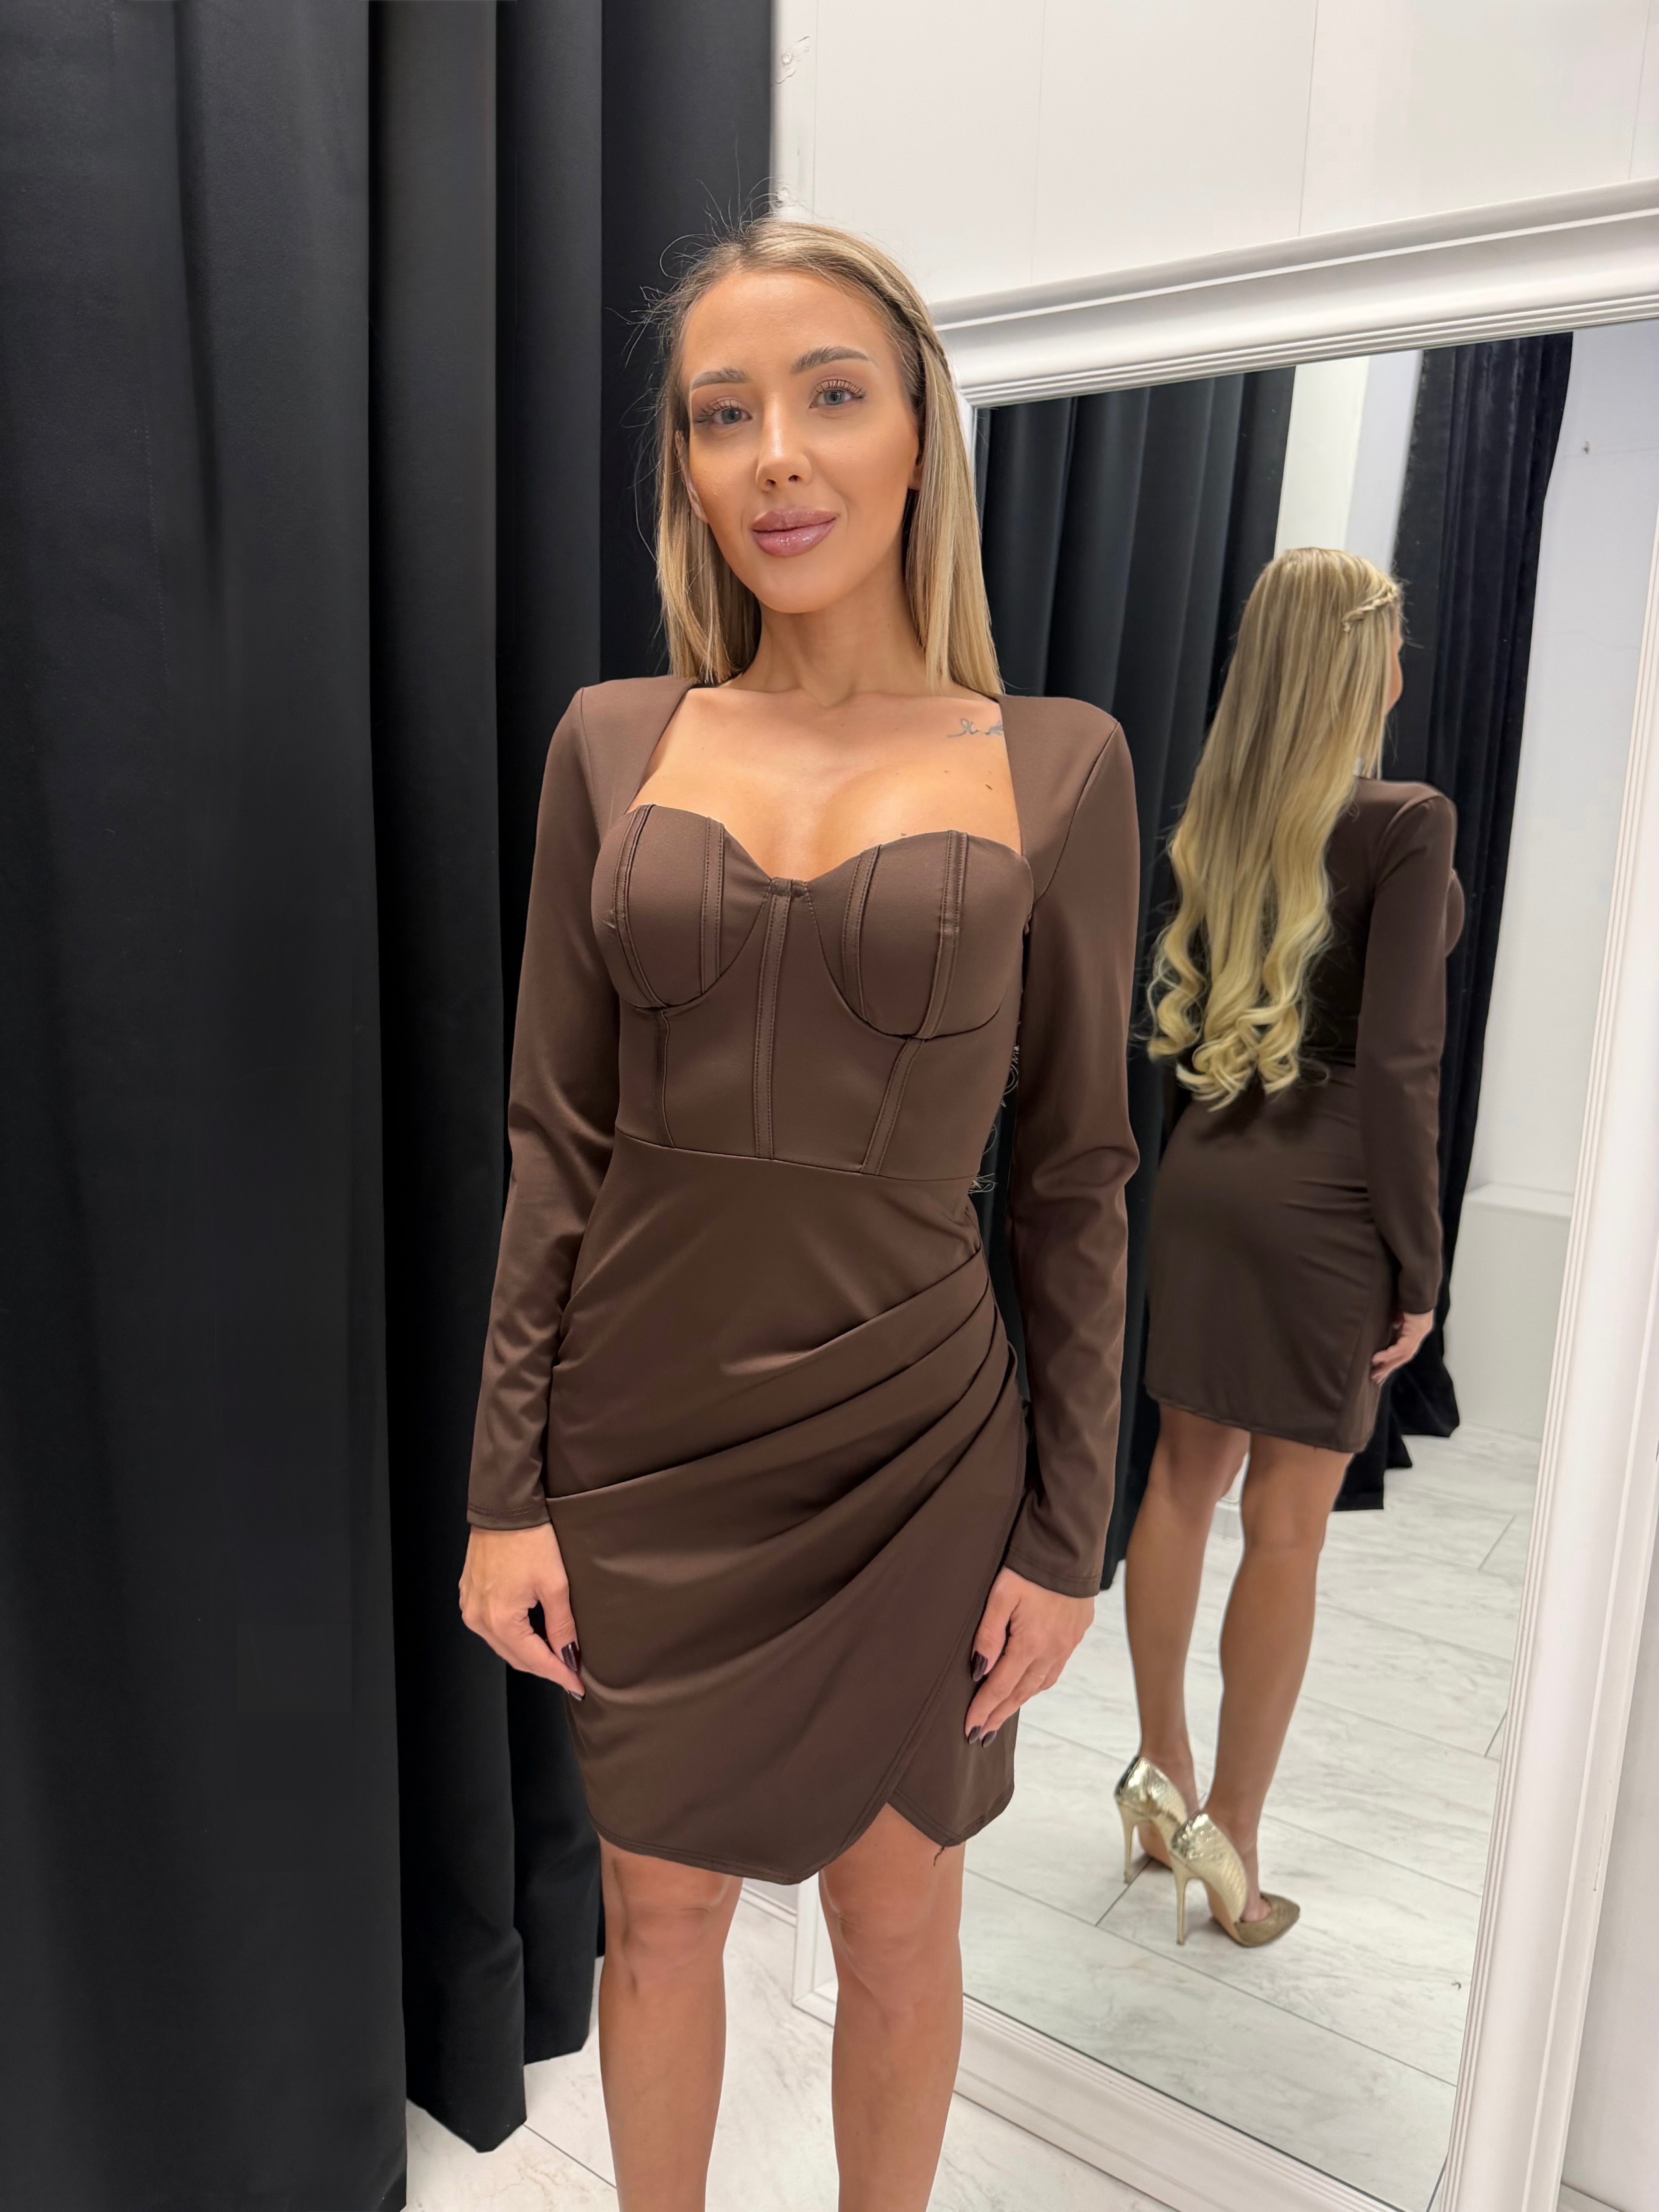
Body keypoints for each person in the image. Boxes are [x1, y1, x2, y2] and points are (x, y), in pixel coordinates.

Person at [457, 214, 1140, 2212]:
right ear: (686, 463)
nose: (776, 458)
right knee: (656, 1923)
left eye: (831, 397)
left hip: (916, 1452)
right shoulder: (615, 742)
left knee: (897, 1928)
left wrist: (1068, 1533)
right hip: (642, 1443)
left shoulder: (1060, 768)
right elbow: (554, 1139)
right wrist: (507, 1491)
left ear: (920, 433)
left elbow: (1080, 1183)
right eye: (721, 413)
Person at [1117, 547, 1462, 1949]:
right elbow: (1398, 1071)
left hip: (1206, 1177)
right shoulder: (1407, 820)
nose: (1402, 668)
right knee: (1285, 1527)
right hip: (1324, 1210)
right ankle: (1236, 1845)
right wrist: (1420, 1271)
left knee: (1177, 1483)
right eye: (1392, 645)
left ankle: (1158, 1779)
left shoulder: (1221, 819)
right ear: (1361, 663)